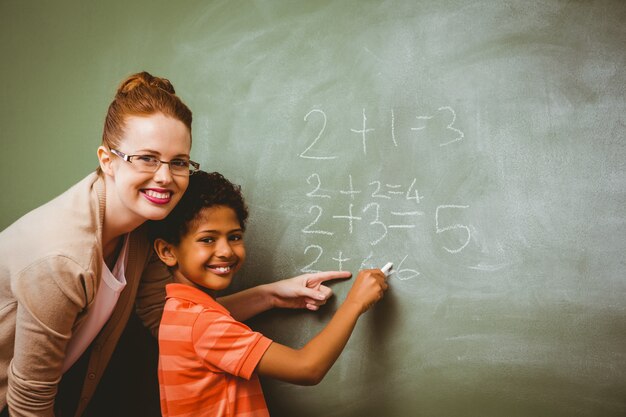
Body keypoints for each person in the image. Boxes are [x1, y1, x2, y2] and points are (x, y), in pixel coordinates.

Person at [0, 71, 351, 417]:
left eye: (178, 162)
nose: (165, 177)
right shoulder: (62, 258)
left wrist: (271, 294)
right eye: (147, 158)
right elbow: (30, 396)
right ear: (107, 160)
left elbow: (165, 320)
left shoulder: (140, 227)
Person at [150, 170, 389, 417]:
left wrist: (272, 296)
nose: (226, 251)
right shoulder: (204, 326)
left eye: (234, 237)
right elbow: (307, 368)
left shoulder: (179, 312)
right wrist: (355, 302)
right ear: (167, 251)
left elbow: (214, 315)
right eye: (208, 239)